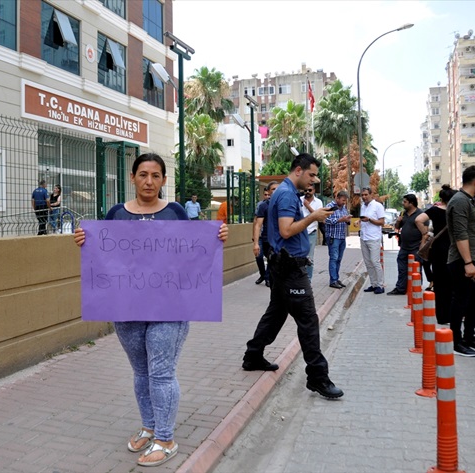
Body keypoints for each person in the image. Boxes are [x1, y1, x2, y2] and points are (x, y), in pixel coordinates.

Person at [74, 153, 229, 467]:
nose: (149, 181)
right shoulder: (116, 213)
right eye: (143, 174)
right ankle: (149, 426)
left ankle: (166, 438)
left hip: (169, 309)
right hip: (127, 309)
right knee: (141, 372)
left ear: (164, 180)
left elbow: (193, 256)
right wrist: (83, 242)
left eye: (155, 175)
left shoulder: (175, 213)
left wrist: (215, 240)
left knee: (160, 373)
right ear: (132, 178)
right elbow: (106, 257)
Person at [242, 153, 343, 400]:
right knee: (308, 321)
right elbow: (286, 231)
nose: (314, 180)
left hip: (283, 266)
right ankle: (318, 377)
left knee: (275, 315)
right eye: (311, 174)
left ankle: (253, 355)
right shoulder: (286, 194)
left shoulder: (288, 192)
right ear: (298, 170)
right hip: (289, 268)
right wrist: (313, 217)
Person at [445, 165, 475, 357]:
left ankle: (469, 337)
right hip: (461, 260)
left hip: (471, 259)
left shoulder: (469, 201)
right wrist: (468, 263)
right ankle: (456, 341)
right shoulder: (460, 201)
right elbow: (461, 234)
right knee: (461, 300)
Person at [415, 184, 456, 324]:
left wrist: (425, 233)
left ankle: (441, 316)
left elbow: (418, 220)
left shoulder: (434, 210)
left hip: (437, 249)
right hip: (452, 249)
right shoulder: (454, 210)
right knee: (452, 283)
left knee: (439, 283)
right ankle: (452, 315)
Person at [387, 194, 423, 295]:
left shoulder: (420, 214)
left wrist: (422, 246)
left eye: (405, 202)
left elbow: (425, 232)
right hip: (404, 247)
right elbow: (397, 227)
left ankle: (416, 289)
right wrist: (398, 222)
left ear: (411, 203)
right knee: (402, 268)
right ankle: (401, 288)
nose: (403, 203)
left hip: (416, 247)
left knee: (416, 269)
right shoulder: (404, 214)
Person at [359, 187, 386, 294]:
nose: (364, 197)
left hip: (373, 237)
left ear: (371, 195)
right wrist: (359, 222)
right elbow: (363, 219)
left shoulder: (377, 206)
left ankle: (380, 285)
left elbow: (382, 222)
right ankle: (373, 284)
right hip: (364, 237)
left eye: (366, 195)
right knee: (368, 263)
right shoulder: (363, 207)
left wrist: (369, 220)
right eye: (362, 195)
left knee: (375, 262)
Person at [252, 181, 279, 286]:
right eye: (273, 189)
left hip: (276, 239)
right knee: (259, 257)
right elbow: (257, 224)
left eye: (278, 188)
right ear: (268, 191)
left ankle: (268, 277)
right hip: (264, 237)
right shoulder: (263, 206)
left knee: (271, 260)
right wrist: (255, 243)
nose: (276, 191)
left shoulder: (283, 204)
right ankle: (263, 275)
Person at [324, 190, 352, 289]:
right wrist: (340, 220)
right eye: (343, 200)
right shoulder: (329, 206)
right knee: (334, 258)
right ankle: (333, 280)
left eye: (345, 201)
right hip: (333, 237)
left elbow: (345, 219)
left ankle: (336, 278)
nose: (344, 202)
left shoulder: (343, 208)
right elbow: (326, 220)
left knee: (339, 259)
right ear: (337, 198)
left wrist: (348, 220)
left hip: (341, 237)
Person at [300, 184, 323, 280]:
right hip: (299, 232)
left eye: (309, 190)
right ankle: (299, 279)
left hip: (311, 233)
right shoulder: (299, 199)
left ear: (314, 190)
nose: (307, 192)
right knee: (298, 257)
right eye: (305, 190)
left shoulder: (318, 202)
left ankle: (308, 280)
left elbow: (319, 217)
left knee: (309, 258)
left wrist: (308, 206)